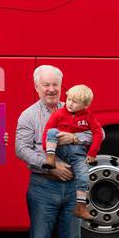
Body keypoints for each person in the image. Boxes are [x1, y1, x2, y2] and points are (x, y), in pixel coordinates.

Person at [17, 65, 90, 238]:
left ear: (62, 87)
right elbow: (22, 149)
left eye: (55, 85)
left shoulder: (77, 111)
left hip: (71, 188)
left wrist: (76, 137)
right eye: (46, 85)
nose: (51, 89)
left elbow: (95, 134)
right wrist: (50, 166)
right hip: (43, 186)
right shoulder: (28, 116)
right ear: (36, 87)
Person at [42, 84, 103, 221]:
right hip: (59, 150)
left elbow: (99, 133)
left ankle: (80, 207)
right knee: (52, 132)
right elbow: (47, 131)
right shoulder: (58, 114)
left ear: (85, 105)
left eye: (75, 102)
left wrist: (92, 152)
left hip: (78, 153)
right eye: (69, 99)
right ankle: (50, 159)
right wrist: (48, 150)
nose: (69, 103)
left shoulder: (88, 117)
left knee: (83, 176)